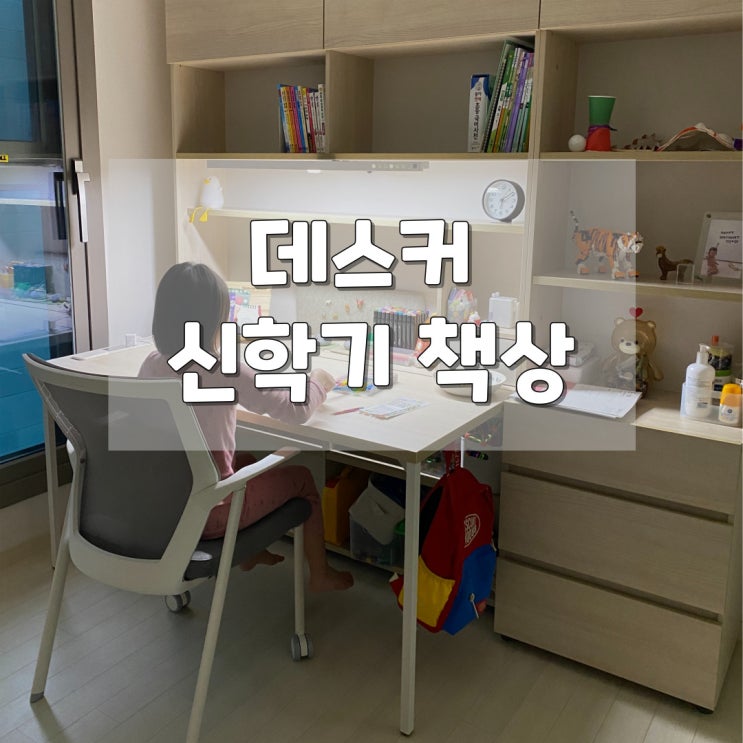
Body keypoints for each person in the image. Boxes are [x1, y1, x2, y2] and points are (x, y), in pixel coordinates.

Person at [139, 262, 353, 591]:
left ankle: (250, 553)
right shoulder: (225, 368)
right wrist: (319, 381)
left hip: (164, 507)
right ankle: (320, 574)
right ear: (217, 320)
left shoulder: (151, 365)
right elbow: (295, 409)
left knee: (247, 462)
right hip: (206, 514)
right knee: (303, 479)